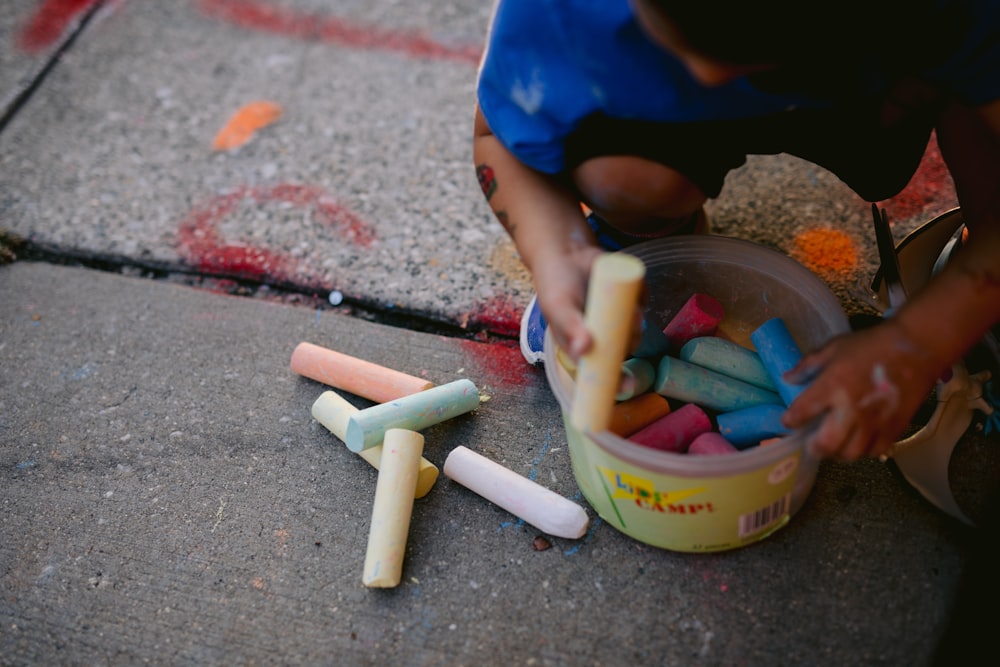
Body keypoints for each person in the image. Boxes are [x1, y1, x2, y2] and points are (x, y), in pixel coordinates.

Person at [472, 0, 1000, 462]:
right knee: (624, 181)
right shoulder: (567, 10)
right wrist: (557, 248)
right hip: (660, 94)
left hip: (879, 86)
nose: (707, 75)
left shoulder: (955, 13)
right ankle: (646, 228)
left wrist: (923, 339)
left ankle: (978, 263)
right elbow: (495, 134)